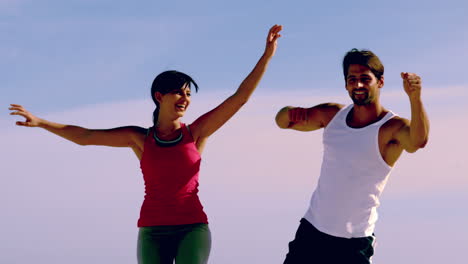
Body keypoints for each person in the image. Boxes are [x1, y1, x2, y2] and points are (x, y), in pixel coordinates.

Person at [9, 24, 282, 264]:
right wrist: (41, 122)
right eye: (178, 92)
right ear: (159, 96)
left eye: (188, 94)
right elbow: (85, 136)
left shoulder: (197, 131)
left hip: (192, 228)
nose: (185, 98)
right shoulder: (139, 138)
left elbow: (240, 98)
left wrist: (267, 55)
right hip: (152, 230)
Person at [275, 48, 429, 263]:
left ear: (380, 82)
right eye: (352, 79)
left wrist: (415, 98)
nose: (358, 85)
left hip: (353, 243)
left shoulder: (391, 128)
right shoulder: (332, 115)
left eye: (365, 79)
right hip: (312, 233)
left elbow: (417, 142)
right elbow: (282, 121)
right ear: (346, 83)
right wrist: (289, 111)